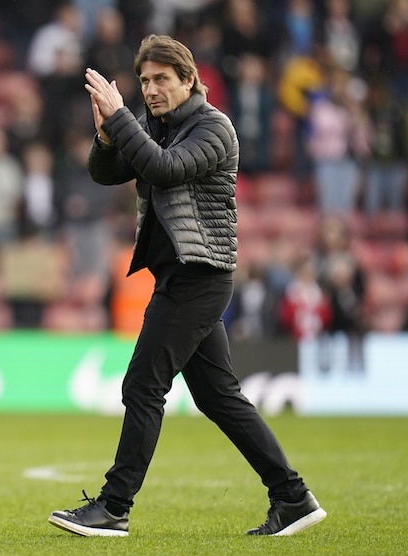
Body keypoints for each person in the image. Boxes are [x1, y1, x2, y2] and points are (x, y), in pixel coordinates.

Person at [48, 34, 327, 538]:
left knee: (142, 385)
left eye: (161, 80)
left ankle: (115, 506)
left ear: (189, 80)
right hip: (182, 275)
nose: (151, 90)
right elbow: (106, 173)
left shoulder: (214, 128)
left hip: (199, 277)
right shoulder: (156, 127)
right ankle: (292, 497)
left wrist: (121, 121)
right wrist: (108, 136)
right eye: (145, 81)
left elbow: (163, 169)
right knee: (218, 397)